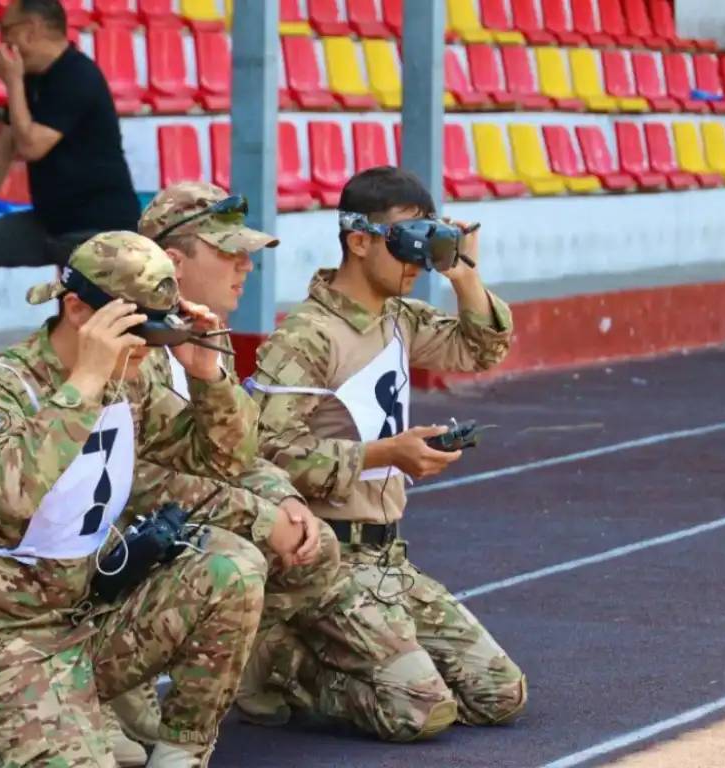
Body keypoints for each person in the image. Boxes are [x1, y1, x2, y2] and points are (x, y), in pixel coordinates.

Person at [106, 181, 468, 752]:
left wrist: (284, 497)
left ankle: (246, 664)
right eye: (229, 253)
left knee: (486, 692)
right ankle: (116, 695)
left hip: (185, 541)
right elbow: (125, 481)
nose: (245, 266)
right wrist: (263, 510)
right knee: (243, 560)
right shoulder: (121, 355)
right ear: (173, 262)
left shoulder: (198, 342)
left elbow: (237, 454)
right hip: (101, 566)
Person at [0, 230, 269, 768]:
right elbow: (10, 491)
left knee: (233, 568)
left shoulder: (129, 379)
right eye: (136, 331)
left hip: (88, 619)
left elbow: (226, 460)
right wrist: (83, 383)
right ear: (78, 310)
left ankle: (179, 755)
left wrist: (209, 377)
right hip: (2, 639)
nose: (146, 350)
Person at [245, 167, 528, 740]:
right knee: (421, 713)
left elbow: (482, 350)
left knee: (501, 695)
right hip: (323, 563)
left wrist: (461, 272)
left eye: (426, 242)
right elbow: (263, 454)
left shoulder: (398, 320)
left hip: (388, 561)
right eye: (406, 242)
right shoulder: (308, 336)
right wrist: (384, 455)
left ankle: (344, 651)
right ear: (358, 240)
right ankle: (275, 661)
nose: (416, 260)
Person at [0, 0, 140, 368]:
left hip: (97, 227)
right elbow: (3, 147)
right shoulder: (29, 78)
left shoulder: (78, 76)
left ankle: (79, 380)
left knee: (76, 313)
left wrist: (11, 83)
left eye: (7, 30)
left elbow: (31, 146)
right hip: (48, 220)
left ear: (32, 29)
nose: (3, 41)